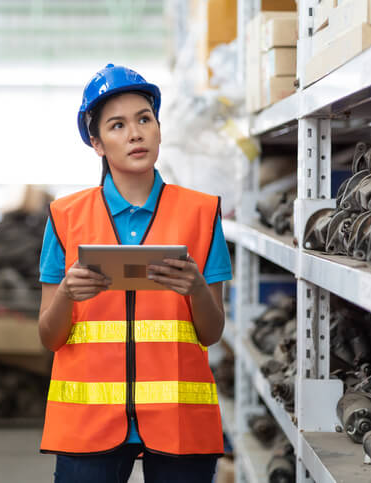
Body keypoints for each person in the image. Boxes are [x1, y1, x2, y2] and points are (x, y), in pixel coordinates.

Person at [38, 64, 232, 483]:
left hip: (178, 419)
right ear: (97, 143)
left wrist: (197, 288)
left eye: (144, 119)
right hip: (89, 423)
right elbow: (49, 337)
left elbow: (211, 331)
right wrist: (67, 294)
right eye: (117, 125)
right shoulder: (64, 218)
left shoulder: (201, 213)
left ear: (160, 129)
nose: (135, 133)